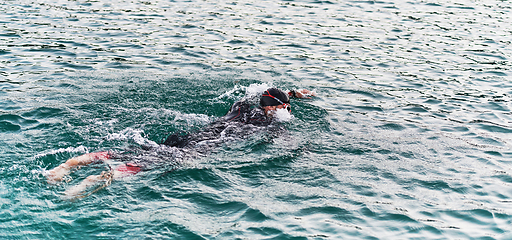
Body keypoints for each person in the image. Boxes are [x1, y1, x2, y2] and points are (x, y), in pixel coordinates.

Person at [46, 88, 315, 198]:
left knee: (138, 151)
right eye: (285, 107)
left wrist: (293, 93)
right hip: (206, 145)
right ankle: (90, 183)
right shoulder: (268, 122)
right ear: (273, 109)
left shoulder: (242, 105)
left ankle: (70, 164)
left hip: (196, 134)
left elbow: (265, 93)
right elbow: (282, 135)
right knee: (150, 163)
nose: (288, 110)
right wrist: (301, 149)